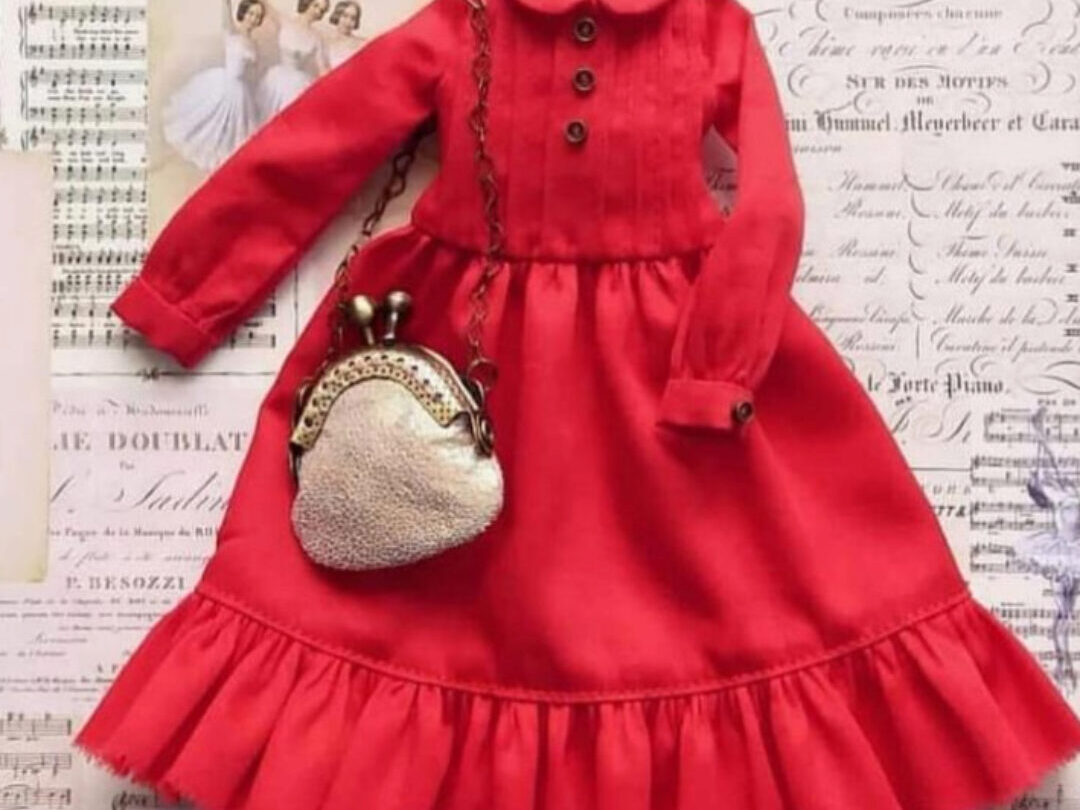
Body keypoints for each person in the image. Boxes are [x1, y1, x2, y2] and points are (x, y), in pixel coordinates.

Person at [74, 0, 1080, 807]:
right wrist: (185, 293)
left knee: (761, 590)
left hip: (674, 365)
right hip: (464, 357)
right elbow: (317, 145)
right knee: (414, 611)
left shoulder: (708, 25)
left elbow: (770, 201)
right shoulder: (463, 23)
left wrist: (719, 366)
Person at [1012, 405, 1080, 690]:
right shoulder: (1059, 496)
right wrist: (1039, 435)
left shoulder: (1064, 492)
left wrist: (1039, 433)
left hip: (1073, 553)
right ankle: (1063, 661)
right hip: (1064, 555)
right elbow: (1047, 464)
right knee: (1063, 613)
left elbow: (1051, 463)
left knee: (1064, 613)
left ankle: (1064, 662)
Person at [160, 0, 265, 172]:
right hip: (222, 83)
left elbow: (252, 70)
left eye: (258, 16)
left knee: (232, 129)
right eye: (251, 14)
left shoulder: (254, 44)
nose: (253, 19)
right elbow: (225, 9)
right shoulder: (232, 31)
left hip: (239, 90)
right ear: (243, 13)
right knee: (208, 119)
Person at [255, 0, 330, 124]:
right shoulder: (285, 21)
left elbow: (323, 69)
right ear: (307, 3)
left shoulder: (317, 38)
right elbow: (265, 5)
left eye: (322, 10)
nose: (317, 12)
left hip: (298, 85)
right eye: (316, 6)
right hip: (277, 80)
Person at [325, 1, 366, 69]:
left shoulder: (360, 44)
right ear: (337, 16)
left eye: (353, 18)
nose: (348, 22)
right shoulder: (325, 40)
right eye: (345, 16)